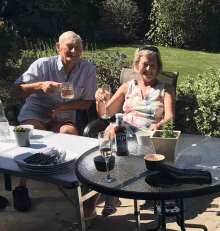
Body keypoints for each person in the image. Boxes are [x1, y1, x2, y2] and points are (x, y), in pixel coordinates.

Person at [9, 31, 99, 229]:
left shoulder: (87, 69)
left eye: (78, 47)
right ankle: (21, 188)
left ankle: (68, 181)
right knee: (34, 134)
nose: (74, 51)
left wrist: (60, 108)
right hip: (35, 112)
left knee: (68, 135)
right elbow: (14, 90)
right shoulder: (42, 65)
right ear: (58, 47)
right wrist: (39, 85)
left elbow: (87, 103)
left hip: (63, 115)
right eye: (69, 46)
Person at [95, 45, 175, 216]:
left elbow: (170, 117)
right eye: (145, 64)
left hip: (149, 133)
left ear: (158, 67)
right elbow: (106, 113)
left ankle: (110, 196)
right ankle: (111, 193)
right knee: (112, 132)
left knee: (114, 136)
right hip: (125, 130)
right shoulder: (127, 87)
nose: (149, 69)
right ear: (137, 65)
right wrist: (100, 99)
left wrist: (159, 125)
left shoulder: (165, 88)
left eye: (153, 65)